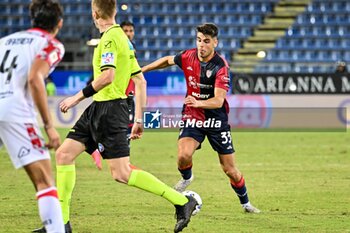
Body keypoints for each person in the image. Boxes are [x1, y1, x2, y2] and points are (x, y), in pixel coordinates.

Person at [34, 1, 198, 232]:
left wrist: (76, 98)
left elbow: (108, 77)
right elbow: (140, 80)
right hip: (99, 109)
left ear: (95, 13)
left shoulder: (110, 38)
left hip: (110, 111)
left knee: (121, 173)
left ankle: (182, 201)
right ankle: (61, 223)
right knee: (63, 154)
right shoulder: (123, 38)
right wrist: (139, 119)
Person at [141, 23, 260, 214]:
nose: (201, 45)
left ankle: (246, 203)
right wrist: (143, 70)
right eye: (198, 40)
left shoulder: (221, 67)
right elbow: (167, 60)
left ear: (215, 42)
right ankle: (187, 178)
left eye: (206, 41)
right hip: (192, 115)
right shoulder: (188, 56)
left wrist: (197, 102)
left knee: (230, 170)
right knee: (183, 155)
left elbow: (219, 100)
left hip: (216, 120)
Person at [0, 0, 65, 232]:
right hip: (15, 112)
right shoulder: (51, 44)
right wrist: (49, 126)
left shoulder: (4, 42)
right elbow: (35, 78)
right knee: (45, 181)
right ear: (59, 23)